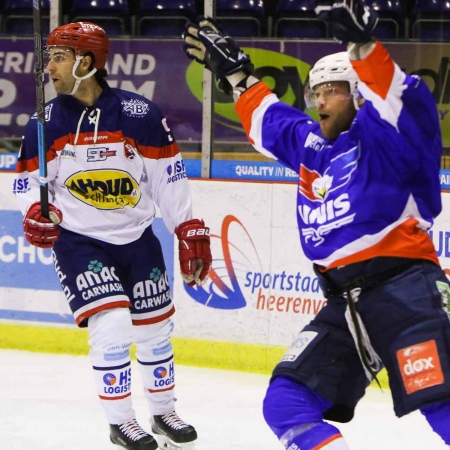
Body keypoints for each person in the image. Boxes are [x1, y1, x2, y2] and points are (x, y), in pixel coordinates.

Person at [182, 1, 450, 449]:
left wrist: (363, 48)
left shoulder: (389, 135)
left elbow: (401, 98)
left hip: (406, 290)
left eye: (332, 90)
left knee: (441, 403)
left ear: (360, 94)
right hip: (346, 304)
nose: (319, 100)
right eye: (314, 92)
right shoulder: (312, 146)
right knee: (286, 402)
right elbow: (268, 117)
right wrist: (236, 73)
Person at [14, 21, 212, 450]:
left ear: (87, 62)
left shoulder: (140, 114)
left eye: (59, 57)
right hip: (79, 242)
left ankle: (163, 412)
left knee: (156, 329)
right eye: (49, 56)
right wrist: (31, 211)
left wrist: (186, 227)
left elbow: (168, 178)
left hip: (138, 237)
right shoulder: (44, 122)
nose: (50, 67)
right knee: (114, 324)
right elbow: (24, 183)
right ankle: (121, 422)